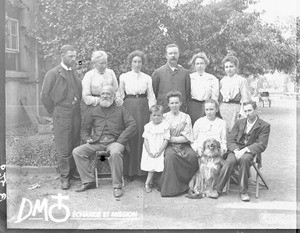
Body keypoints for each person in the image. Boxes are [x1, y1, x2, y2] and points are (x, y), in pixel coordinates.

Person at [72, 85, 137, 198]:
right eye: (103, 94)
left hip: (115, 143)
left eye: (108, 94)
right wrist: (87, 139)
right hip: (97, 143)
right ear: (99, 95)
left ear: (113, 96)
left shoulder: (120, 109)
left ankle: (117, 186)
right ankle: (88, 181)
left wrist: (120, 140)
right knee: (77, 151)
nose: (105, 96)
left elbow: (132, 125)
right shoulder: (93, 110)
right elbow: (84, 129)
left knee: (116, 153)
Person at [209, 101, 270, 201]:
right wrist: (236, 150)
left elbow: (261, 145)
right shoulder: (239, 122)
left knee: (245, 160)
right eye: (245, 111)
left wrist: (245, 150)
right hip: (236, 150)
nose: (247, 113)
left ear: (256, 110)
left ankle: (243, 192)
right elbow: (230, 139)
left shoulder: (264, 125)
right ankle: (217, 190)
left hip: (250, 152)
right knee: (229, 162)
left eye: (250, 110)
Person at [41, 45, 82, 190]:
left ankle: (74, 172)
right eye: (71, 56)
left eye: (75, 56)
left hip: (75, 113)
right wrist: (54, 111)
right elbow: (45, 95)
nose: (74, 59)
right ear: (62, 56)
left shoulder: (75, 72)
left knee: (75, 141)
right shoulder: (53, 73)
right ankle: (65, 177)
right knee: (63, 145)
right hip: (61, 112)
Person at [119, 50, 156, 179]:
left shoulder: (147, 77)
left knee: (142, 136)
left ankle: (142, 171)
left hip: (142, 107)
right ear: (130, 63)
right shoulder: (124, 76)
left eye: (139, 62)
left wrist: (152, 112)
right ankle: (129, 172)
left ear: (142, 63)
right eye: (134, 61)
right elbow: (120, 95)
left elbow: (151, 95)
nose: (137, 64)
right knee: (130, 135)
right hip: (128, 105)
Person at [158, 91, 198, 197]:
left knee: (192, 156)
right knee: (170, 157)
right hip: (169, 145)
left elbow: (188, 136)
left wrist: (173, 138)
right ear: (168, 104)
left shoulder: (186, 117)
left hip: (183, 144)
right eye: (172, 103)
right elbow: (162, 134)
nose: (174, 105)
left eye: (176, 102)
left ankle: (189, 185)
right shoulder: (164, 117)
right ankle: (172, 189)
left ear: (180, 103)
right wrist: (171, 138)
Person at [188, 99, 227, 195]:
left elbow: (223, 140)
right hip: (202, 152)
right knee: (202, 169)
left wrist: (222, 149)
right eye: (207, 109)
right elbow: (193, 139)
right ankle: (199, 188)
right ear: (204, 110)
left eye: (211, 109)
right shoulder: (199, 122)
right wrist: (198, 148)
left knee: (216, 167)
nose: (209, 112)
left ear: (216, 109)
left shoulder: (221, 123)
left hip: (215, 153)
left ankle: (214, 188)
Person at [152, 44, 190, 113]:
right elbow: (154, 92)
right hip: (163, 110)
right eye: (170, 53)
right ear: (166, 55)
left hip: (180, 110)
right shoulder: (158, 73)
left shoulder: (185, 73)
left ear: (178, 55)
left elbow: (187, 93)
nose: (173, 55)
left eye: (175, 53)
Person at [140, 105, 170, 193]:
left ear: (162, 116)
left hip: (159, 148)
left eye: (159, 115)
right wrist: (148, 151)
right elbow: (145, 140)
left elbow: (166, 140)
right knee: (151, 167)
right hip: (149, 148)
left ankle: (150, 181)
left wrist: (160, 151)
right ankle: (147, 183)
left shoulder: (165, 125)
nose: (156, 117)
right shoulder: (148, 126)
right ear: (150, 116)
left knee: (156, 166)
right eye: (154, 115)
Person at [219, 55, 251, 133]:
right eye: (226, 67)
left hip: (236, 109)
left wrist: (243, 112)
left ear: (236, 67)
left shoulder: (241, 80)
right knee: (224, 131)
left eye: (231, 66)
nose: (228, 69)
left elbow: (246, 98)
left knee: (235, 131)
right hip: (223, 110)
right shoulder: (222, 81)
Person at [187, 52, 219, 125]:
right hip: (193, 106)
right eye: (197, 64)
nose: (199, 66)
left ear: (205, 64)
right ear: (194, 65)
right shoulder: (190, 77)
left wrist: (211, 108)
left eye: (202, 63)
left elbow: (215, 96)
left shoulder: (212, 78)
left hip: (207, 106)